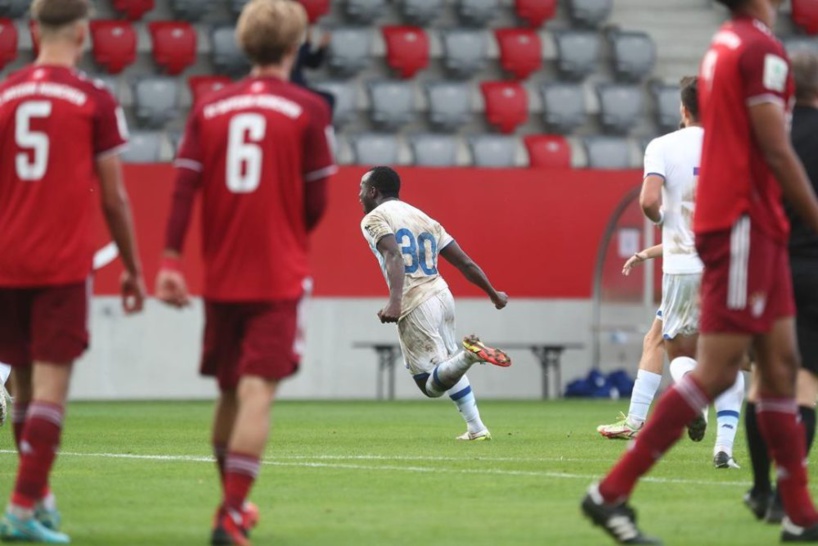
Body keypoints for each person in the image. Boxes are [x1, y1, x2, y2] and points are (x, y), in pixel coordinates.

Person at [582, 0, 818, 543]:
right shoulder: (759, 48)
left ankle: (801, 515)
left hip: (753, 227)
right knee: (716, 369)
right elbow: (776, 149)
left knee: (780, 368)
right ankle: (610, 493)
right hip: (741, 224)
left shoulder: (729, 42)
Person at [154, 1, 336, 544]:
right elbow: (317, 201)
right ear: (294, 46)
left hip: (223, 274)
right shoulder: (308, 108)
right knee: (259, 391)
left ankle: (233, 505)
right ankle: (231, 512)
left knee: (230, 392)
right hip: (277, 271)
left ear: (244, 43)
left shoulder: (210, 107)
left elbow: (184, 185)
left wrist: (169, 259)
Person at [0, 0, 145, 542]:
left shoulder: (5, 94)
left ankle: (39, 500)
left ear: (34, 29)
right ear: (84, 33)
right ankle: (19, 509)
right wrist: (132, 268)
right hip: (59, 264)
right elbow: (114, 196)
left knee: (26, 387)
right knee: (52, 392)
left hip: (6, 262)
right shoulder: (94, 98)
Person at [597, 78, 746, 469]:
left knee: (674, 347)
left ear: (683, 109)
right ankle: (724, 449)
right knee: (733, 356)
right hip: (728, 264)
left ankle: (685, 397)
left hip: (681, 265)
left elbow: (649, 200)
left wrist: (662, 219)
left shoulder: (662, 146)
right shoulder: (732, 144)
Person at [359, 166, 511, 441]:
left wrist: (395, 302)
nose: (359, 196)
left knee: (429, 386)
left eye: (361, 189)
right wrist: (493, 293)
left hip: (415, 301)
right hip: (442, 295)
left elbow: (393, 254)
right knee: (444, 367)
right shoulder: (424, 217)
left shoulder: (374, 218)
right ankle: (476, 428)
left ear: (373, 191)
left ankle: (469, 355)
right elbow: (464, 262)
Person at [742, 49, 818, 525]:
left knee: (761, 383)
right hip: (816, 271)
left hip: (769, 269)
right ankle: (787, 502)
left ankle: (760, 488)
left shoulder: (771, 137)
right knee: (806, 385)